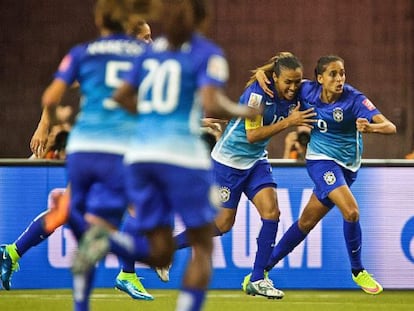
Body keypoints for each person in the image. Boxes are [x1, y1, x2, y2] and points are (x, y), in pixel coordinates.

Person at [70, 1, 260, 310]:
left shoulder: (149, 52)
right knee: (202, 246)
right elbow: (212, 101)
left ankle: (107, 241)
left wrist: (151, 120)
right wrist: (243, 110)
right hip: (182, 157)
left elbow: (120, 97)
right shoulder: (207, 53)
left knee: (159, 252)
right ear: (204, 19)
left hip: (142, 158)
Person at [0, 5, 155, 301]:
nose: (149, 42)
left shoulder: (91, 55)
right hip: (111, 148)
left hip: (89, 148)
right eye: (145, 36)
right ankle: (127, 274)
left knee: (68, 209)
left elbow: (53, 92)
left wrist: (44, 126)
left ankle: (12, 251)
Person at [171, 52, 316, 299]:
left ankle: (258, 278)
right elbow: (252, 135)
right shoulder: (258, 95)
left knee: (272, 213)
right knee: (222, 224)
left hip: (256, 161)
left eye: (297, 82)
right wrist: (289, 122)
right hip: (228, 162)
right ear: (275, 78)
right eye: (288, 82)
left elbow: (291, 63)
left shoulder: (297, 90)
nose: (293, 87)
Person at [258, 55, 396, 295]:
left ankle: (261, 269)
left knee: (306, 222)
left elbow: (390, 127)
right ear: (320, 78)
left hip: (348, 168)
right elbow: (279, 76)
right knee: (351, 211)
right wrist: (262, 74)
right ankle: (358, 271)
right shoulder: (306, 90)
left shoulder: (354, 99)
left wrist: (371, 127)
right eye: (333, 74)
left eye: (342, 73)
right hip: (320, 162)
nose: (340, 78)